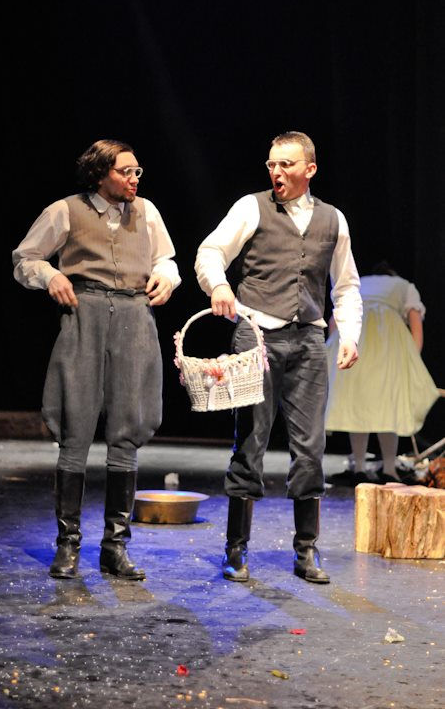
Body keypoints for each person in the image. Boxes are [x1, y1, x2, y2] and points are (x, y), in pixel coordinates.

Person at [195, 131, 362, 584]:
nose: (276, 172)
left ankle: (306, 550)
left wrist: (349, 334)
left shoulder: (333, 219)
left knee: (310, 447)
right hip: (256, 337)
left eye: (286, 164)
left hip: (308, 341)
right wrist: (220, 285)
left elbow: (346, 285)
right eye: (272, 164)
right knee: (250, 441)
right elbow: (210, 252)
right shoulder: (252, 207)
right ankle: (236, 548)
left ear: (310, 168)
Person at [13, 139, 180, 580]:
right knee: (75, 425)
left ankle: (115, 547)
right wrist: (50, 275)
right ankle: (68, 544)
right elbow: (25, 258)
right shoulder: (65, 210)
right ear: (100, 174)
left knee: (127, 428)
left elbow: (166, 258)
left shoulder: (147, 212)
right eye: (126, 171)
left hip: (134, 317)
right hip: (83, 315)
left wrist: (166, 277)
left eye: (137, 171)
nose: (134, 179)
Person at [325, 262, 440, 485]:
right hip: (388, 340)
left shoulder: (360, 283)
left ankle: (359, 467)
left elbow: (334, 320)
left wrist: (335, 349)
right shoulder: (404, 286)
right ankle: (389, 468)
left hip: (357, 337)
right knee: (389, 405)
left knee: (357, 404)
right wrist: (412, 360)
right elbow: (415, 322)